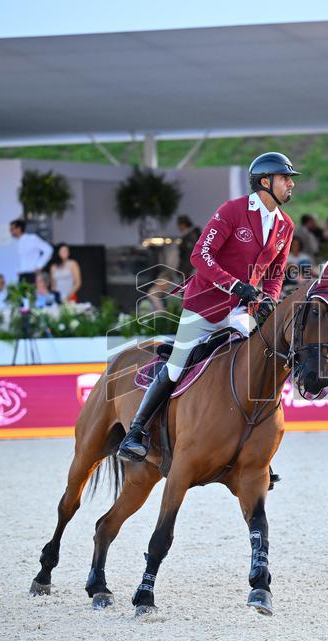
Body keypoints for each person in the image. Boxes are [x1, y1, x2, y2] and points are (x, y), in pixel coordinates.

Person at [117, 151, 299, 462]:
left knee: (256, 363)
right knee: (177, 365)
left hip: (243, 312)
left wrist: (268, 298)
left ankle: (253, 447)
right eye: (285, 179)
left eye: (290, 180)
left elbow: (275, 273)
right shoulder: (233, 210)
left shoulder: (285, 226)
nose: (290, 185)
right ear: (265, 182)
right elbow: (200, 256)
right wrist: (235, 285)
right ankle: (136, 431)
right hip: (205, 306)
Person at [10, 219, 53, 284]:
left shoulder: (32, 238)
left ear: (19, 229)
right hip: (21, 275)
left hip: (32, 273)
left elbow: (48, 250)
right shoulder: (15, 243)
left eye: (12, 229)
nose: (11, 232)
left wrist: (39, 265)